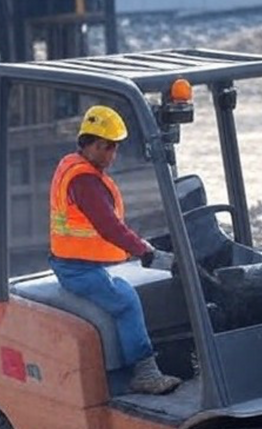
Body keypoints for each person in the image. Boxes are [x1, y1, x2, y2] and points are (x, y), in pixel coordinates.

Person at [48, 104, 181, 395]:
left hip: (80, 262)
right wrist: (146, 252)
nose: (112, 154)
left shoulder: (76, 165)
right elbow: (108, 226)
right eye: (106, 147)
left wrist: (143, 245)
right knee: (125, 299)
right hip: (77, 270)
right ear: (89, 144)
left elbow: (107, 226)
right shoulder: (84, 181)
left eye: (115, 147)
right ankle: (145, 373)